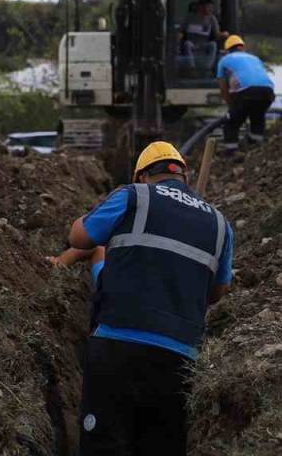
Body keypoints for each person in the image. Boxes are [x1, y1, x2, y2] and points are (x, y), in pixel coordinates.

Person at [66, 141, 234, 455]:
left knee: (106, 444)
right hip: (180, 358)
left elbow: (79, 237)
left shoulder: (131, 196)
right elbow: (217, 292)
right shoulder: (220, 224)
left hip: (118, 345)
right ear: (184, 175)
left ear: (142, 175)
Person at [215, 35, 275, 153]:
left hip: (246, 92)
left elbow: (223, 88)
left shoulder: (224, 60)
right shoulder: (254, 58)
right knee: (257, 118)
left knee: (231, 123)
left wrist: (231, 106)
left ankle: (231, 152)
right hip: (268, 91)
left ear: (227, 50)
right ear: (242, 47)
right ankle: (255, 149)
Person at [182, 0, 221, 76]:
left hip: (203, 45)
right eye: (208, 7)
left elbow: (217, 33)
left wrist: (224, 34)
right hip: (192, 44)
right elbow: (181, 31)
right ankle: (191, 69)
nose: (210, 10)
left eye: (211, 8)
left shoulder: (212, 19)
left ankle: (207, 69)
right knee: (187, 44)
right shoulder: (190, 17)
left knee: (213, 45)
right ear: (201, 7)